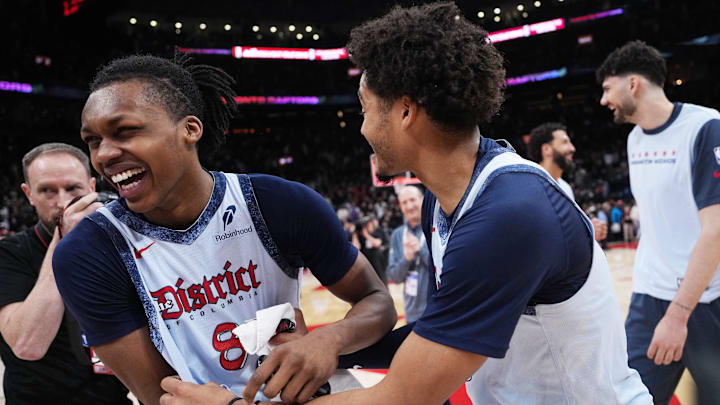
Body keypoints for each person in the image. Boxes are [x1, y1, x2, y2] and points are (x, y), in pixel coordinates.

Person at [158, 3, 652, 404]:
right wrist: (331, 344)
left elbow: (404, 396)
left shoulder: (508, 215)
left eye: (365, 110)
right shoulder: (452, 199)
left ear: (406, 111)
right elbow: (433, 336)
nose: (361, 128)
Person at [51, 54, 396, 405]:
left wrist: (328, 340)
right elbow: (163, 396)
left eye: (125, 132)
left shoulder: (278, 203)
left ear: (190, 129)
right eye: (93, 141)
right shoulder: (88, 253)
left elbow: (377, 301)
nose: (104, 154)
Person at [597, 39, 720, 404]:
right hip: (649, 299)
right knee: (625, 397)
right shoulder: (634, 140)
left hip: (704, 302)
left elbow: (715, 231)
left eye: (607, 88)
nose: (604, 100)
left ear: (633, 83)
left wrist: (678, 315)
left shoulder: (705, 127)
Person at [0, 143, 131, 404]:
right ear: (28, 194)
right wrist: (64, 238)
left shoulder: (121, 246)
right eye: (47, 190)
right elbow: (27, 345)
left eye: (73, 189)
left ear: (92, 188)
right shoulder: (9, 253)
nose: (62, 202)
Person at [527, 122, 608, 241]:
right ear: (546, 149)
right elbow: (537, 239)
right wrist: (587, 233)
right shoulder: (530, 188)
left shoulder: (565, 187)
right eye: (565, 142)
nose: (572, 148)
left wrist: (588, 228)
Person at [387, 185, 430, 323]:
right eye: (404, 202)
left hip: (437, 309)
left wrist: (420, 250)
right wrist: (407, 258)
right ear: (400, 206)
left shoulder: (434, 227)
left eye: (412, 200)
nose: (409, 206)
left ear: (422, 200)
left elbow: (445, 270)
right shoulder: (397, 235)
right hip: (411, 313)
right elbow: (394, 277)